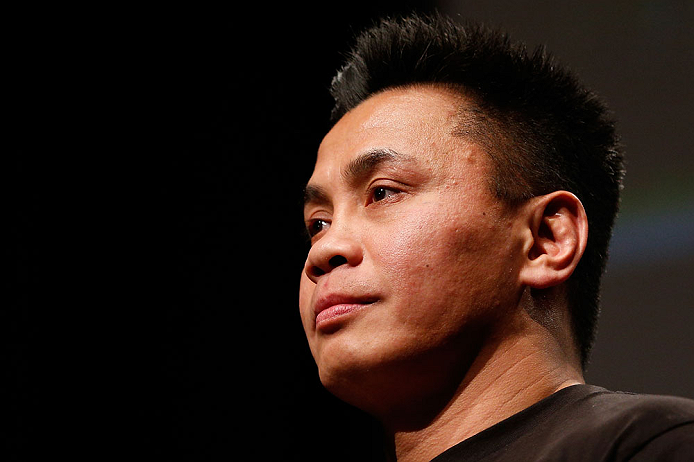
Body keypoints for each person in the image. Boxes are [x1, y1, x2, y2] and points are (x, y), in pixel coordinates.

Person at [298, 13, 694, 461]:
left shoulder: (652, 446)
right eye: (319, 223)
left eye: (383, 193)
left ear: (546, 240)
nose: (324, 252)